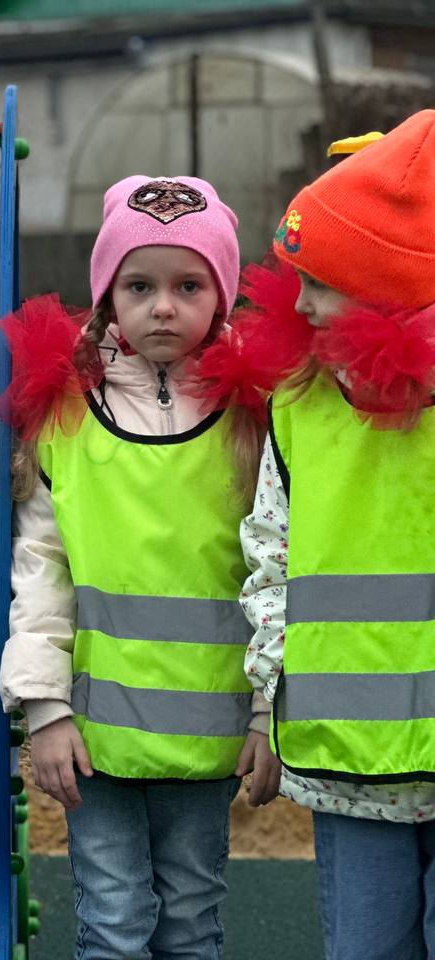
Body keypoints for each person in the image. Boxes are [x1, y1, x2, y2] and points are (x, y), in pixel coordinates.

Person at [0, 175, 272, 959]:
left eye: (189, 286)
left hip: (210, 734)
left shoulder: (256, 418)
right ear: (106, 296)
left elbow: (274, 576)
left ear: (220, 297)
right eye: (139, 284)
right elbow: (41, 570)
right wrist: (44, 709)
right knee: (112, 927)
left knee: (191, 924)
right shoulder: (67, 418)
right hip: (94, 735)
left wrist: (264, 716)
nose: (162, 306)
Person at [239, 109, 435, 960]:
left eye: (321, 277)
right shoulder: (300, 409)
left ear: (389, 283)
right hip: (351, 765)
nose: (300, 299)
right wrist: (263, 700)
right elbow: (270, 565)